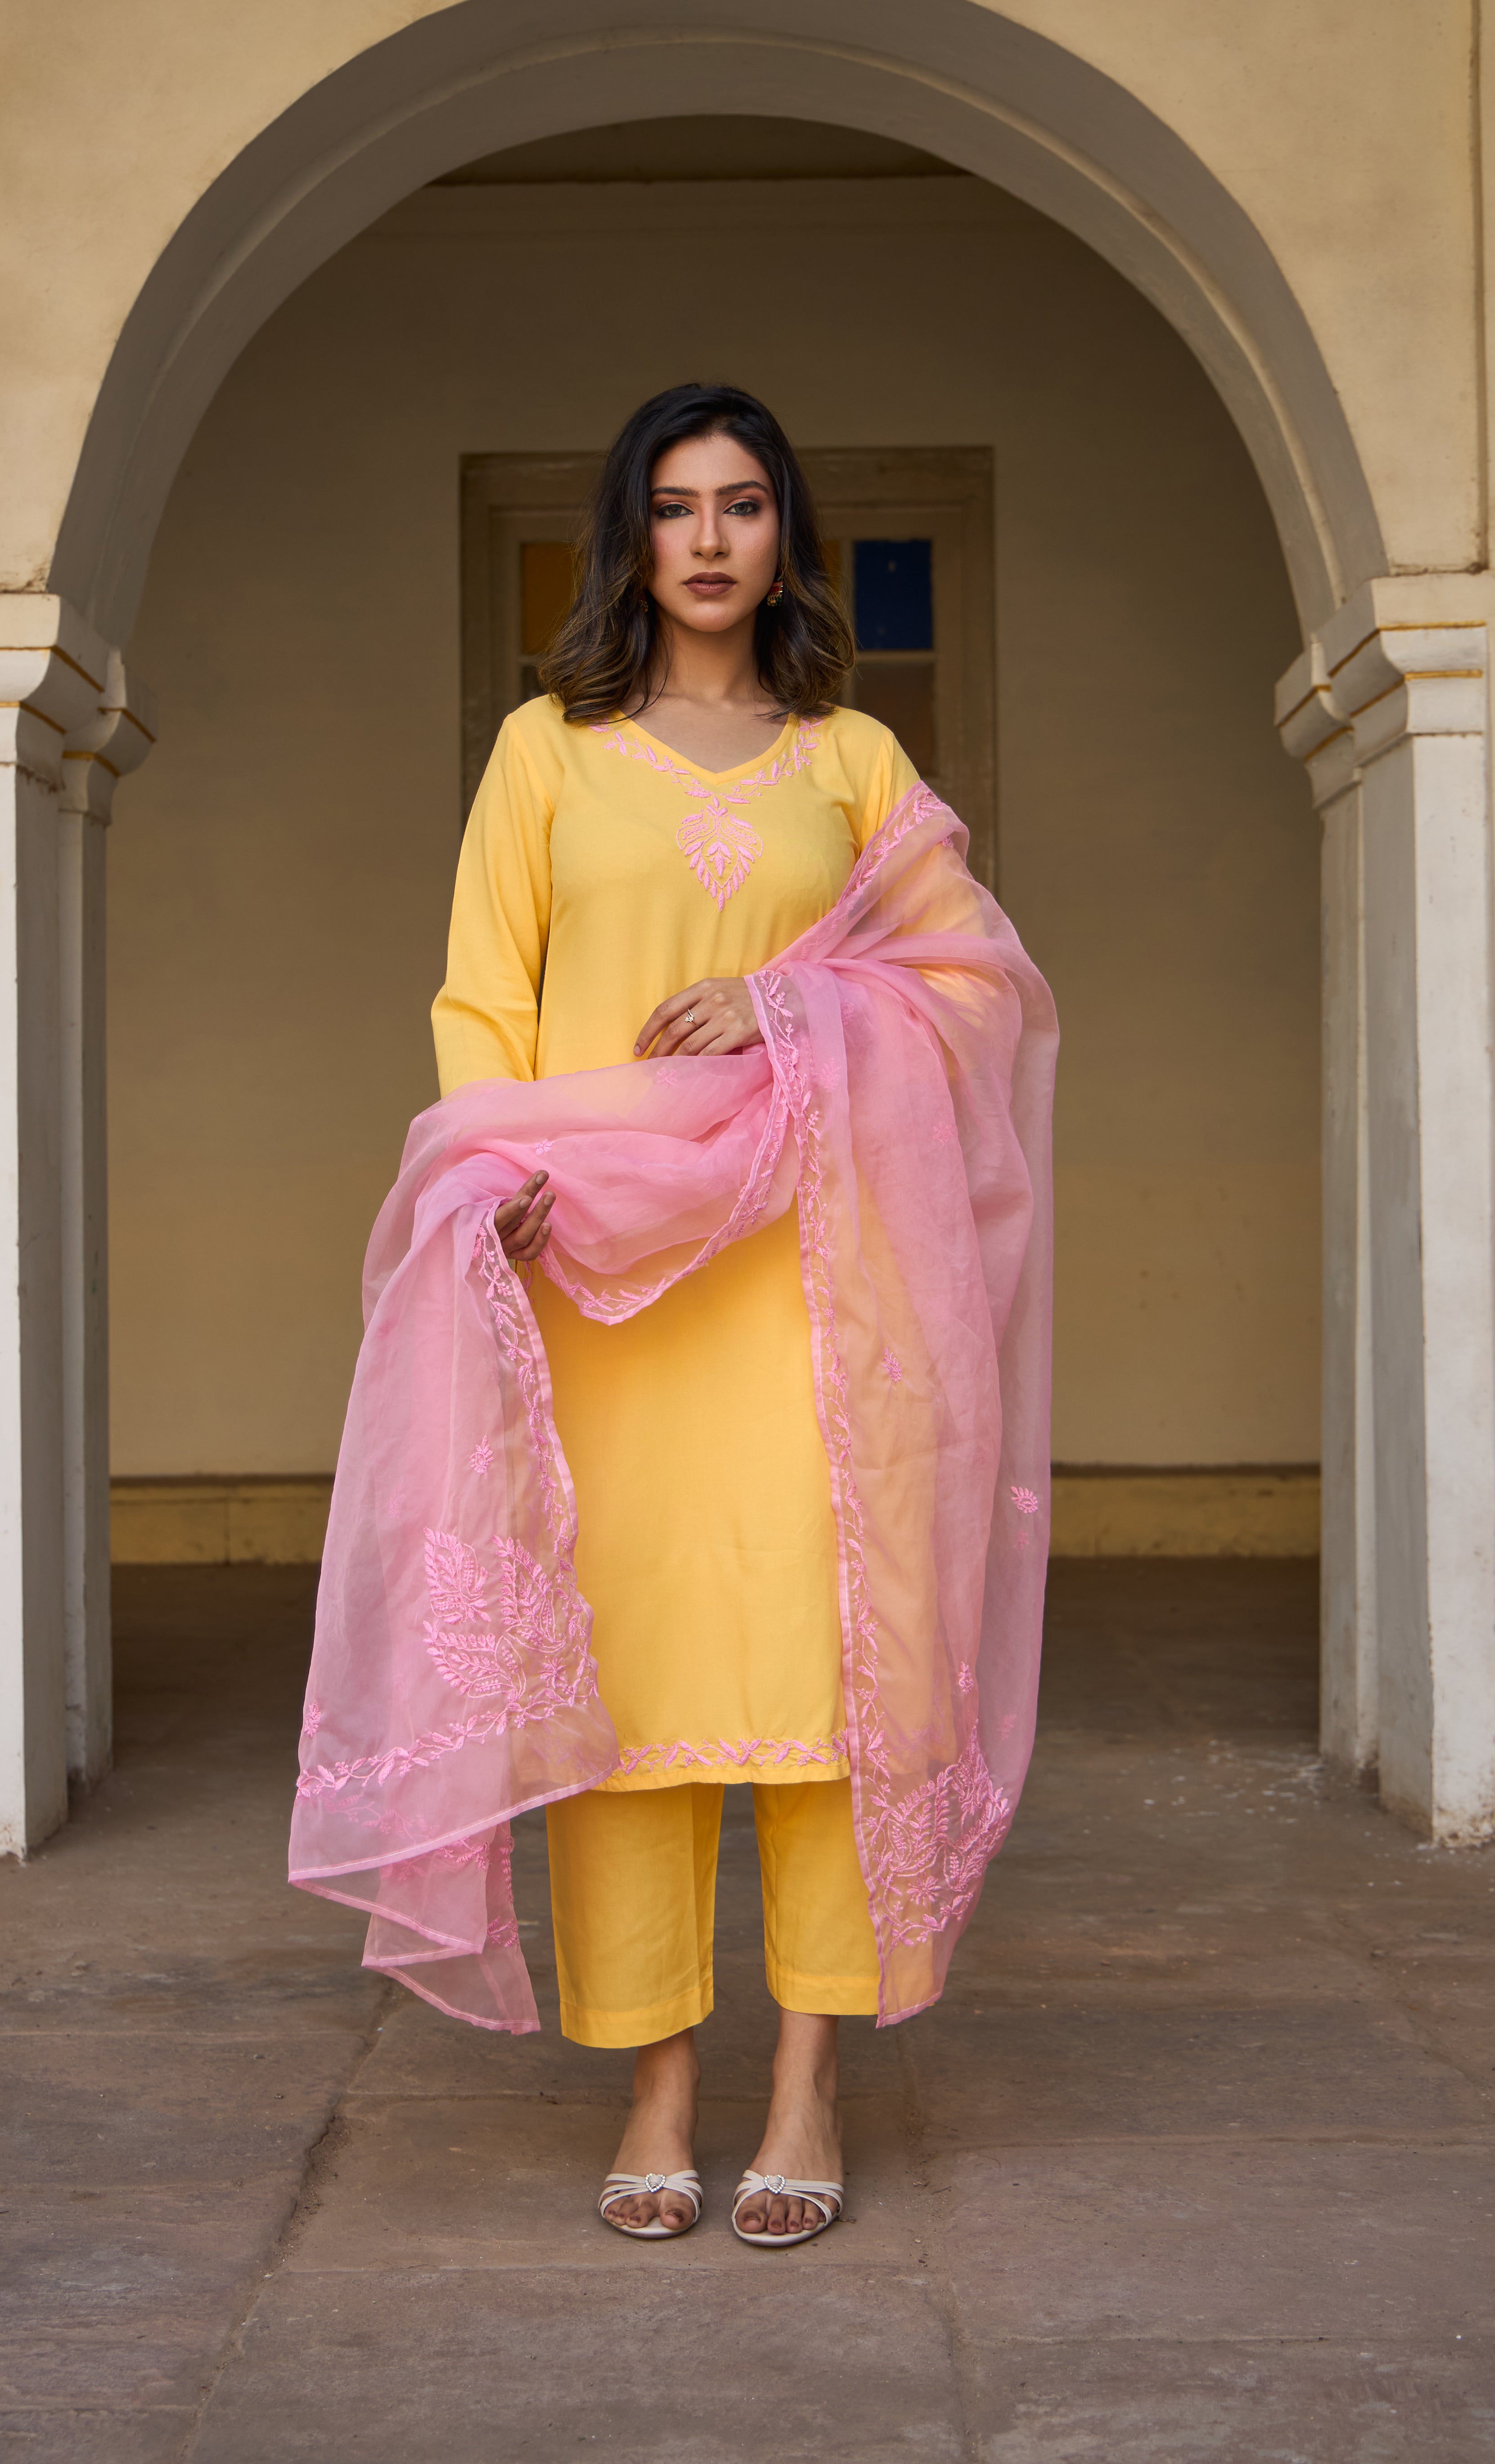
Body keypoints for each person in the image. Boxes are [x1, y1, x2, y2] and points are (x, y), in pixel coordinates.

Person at [420, 384, 1053, 2243]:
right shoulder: (549, 751)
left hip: (809, 1280)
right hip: (601, 1271)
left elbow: (973, 986)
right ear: (631, 536)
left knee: (817, 1675)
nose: (708, 540)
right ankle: (657, 2078)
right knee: (628, 1688)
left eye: (745, 506)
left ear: (788, 535)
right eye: (676, 507)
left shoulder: (853, 762)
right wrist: (498, 1181)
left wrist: (789, 1010)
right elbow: (479, 995)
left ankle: (803, 2080)